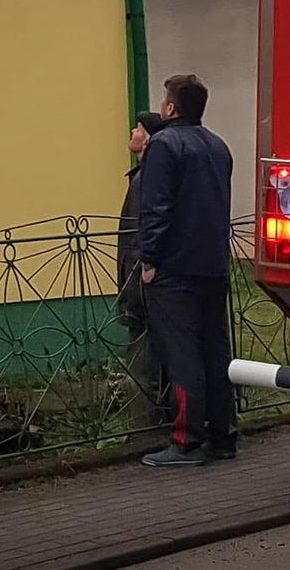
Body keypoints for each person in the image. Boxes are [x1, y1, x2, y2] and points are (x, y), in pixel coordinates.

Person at [136, 75, 237, 466]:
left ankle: (187, 441)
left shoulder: (163, 145)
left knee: (182, 358)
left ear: (171, 108)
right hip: (213, 264)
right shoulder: (218, 146)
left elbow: (157, 208)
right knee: (216, 354)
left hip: (175, 269)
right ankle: (223, 437)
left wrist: (150, 260)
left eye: (164, 100)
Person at [118, 112, 171, 428]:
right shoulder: (146, 176)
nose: (132, 132)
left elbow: (139, 234)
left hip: (140, 280)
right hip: (142, 276)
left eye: (137, 128)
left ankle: (145, 427)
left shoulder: (144, 180)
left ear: (148, 138)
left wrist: (136, 278)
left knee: (142, 360)